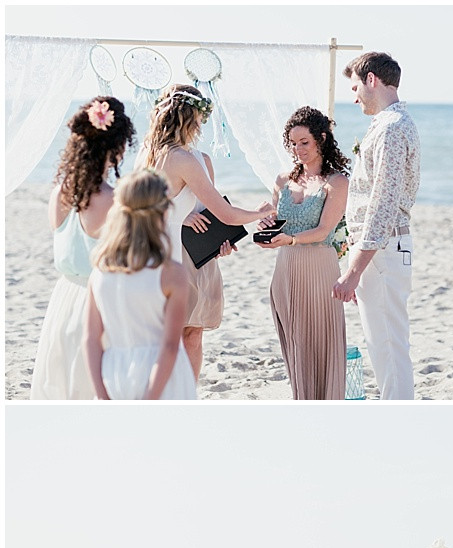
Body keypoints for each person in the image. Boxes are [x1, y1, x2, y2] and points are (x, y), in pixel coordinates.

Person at [139, 83, 274, 383]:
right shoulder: (170, 158)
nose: (202, 124)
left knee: (193, 334)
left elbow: (209, 212)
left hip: (194, 254)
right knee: (169, 336)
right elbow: (143, 208)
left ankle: (187, 394)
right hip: (169, 252)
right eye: (200, 117)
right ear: (189, 117)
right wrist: (259, 213)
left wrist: (219, 240)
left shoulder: (198, 159)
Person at [30, 97, 136, 399]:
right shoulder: (115, 201)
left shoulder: (60, 193)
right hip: (100, 305)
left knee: (60, 390)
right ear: (118, 147)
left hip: (62, 301)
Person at [333, 50, 420, 400]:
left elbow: (383, 204)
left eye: (355, 87)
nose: (353, 97)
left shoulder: (392, 129)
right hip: (382, 251)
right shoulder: (391, 124)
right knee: (383, 343)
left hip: (382, 251)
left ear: (372, 80)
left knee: (387, 346)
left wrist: (354, 270)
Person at [257, 106, 350, 400]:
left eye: (304, 142)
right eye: (293, 143)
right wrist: (267, 224)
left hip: (319, 267)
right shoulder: (283, 180)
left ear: (321, 139)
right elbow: (276, 217)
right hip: (285, 267)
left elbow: (324, 231)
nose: (298, 150)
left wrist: (290, 239)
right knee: (295, 342)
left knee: (319, 341)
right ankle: (302, 400)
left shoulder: (336, 182)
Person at [84, 170, 196, 400]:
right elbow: (170, 345)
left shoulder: (100, 270)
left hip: (114, 374)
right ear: (164, 213)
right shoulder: (172, 274)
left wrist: (102, 395)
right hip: (162, 378)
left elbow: (91, 339)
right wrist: (150, 399)